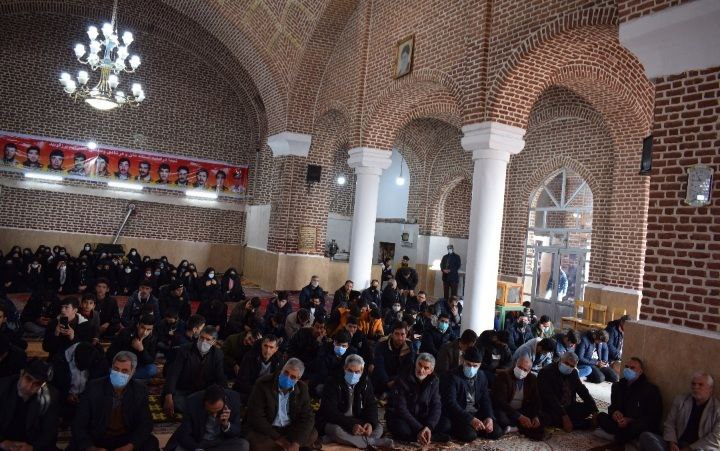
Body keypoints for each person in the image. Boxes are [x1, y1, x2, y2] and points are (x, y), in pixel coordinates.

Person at [70, 351, 159, 451]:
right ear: (111, 368)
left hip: (125, 438)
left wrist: (130, 446)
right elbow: (79, 423)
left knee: (151, 443)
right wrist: (91, 448)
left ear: (133, 372)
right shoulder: (94, 387)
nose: (119, 374)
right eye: (116, 369)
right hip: (98, 436)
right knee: (75, 445)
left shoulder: (140, 390)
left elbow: (146, 424)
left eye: (125, 371)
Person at [317, 354, 393, 449]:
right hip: (338, 422)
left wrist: (370, 423)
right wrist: (351, 425)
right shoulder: (333, 382)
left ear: (362, 370)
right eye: (350, 371)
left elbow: (371, 405)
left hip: (358, 420)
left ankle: (340, 439)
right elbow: (330, 412)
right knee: (336, 431)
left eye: (357, 372)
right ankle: (373, 442)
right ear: (344, 368)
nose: (353, 374)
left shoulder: (365, 382)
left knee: (378, 427)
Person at [244, 358, 317, 450]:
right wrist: (279, 439)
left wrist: (296, 443)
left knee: (312, 434)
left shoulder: (302, 388)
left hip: (288, 428)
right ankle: (284, 446)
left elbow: (308, 417)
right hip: (267, 428)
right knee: (258, 444)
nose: (287, 378)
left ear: (298, 379)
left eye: (293, 377)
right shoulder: (263, 384)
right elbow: (256, 417)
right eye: (286, 373)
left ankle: (286, 447)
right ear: (282, 370)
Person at [639, 372, 719, 451]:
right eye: (693, 384)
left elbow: (716, 437)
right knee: (646, 437)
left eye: (700, 384)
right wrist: (672, 443)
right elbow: (670, 423)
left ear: (710, 389)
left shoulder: (717, 409)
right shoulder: (680, 400)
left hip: (697, 447)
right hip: (677, 444)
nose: (695, 387)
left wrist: (688, 449)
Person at [438, 346, 504, 442]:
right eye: (468, 364)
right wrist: (470, 419)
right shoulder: (451, 376)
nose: (471, 368)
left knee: (497, 432)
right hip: (459, 414)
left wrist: (489, 417)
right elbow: (451, 403)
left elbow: (485, 399)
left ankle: (478, 428)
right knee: (470, 435)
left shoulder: (482, 376)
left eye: (475, 366)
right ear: (463, 361)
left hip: (475, 412)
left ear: (480, 365)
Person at [595, 357, 662, 445]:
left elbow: (652, 417)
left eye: (632, 368)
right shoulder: (617, 386)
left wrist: (629, 420)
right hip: (619, 423)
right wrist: (614, 413)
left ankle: (617, 436)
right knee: (601, 416)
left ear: (640, 372)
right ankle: (626, 438)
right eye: (626, 367)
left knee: (640, 428)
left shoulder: (650, 390)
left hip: (635, 424)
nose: (628, 369)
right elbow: (612, 407)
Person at [387, 353, 448, 445]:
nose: (421, 370)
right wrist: (420, 428)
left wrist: (429, 426)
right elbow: (401, 408)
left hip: (422, 417)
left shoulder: (434, 381)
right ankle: (427, 436)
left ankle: (422, 435)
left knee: (445, 424)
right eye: (419, 365)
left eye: (426, 368)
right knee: (401, 429)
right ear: (415, 363)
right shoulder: (402, 378)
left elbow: (436, 405)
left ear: (431, 371)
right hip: (404, 418)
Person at [164, 325, 226, 416]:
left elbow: (220, 378)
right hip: (184, 389)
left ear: (213, 342)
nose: (203, 341)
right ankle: (203, 409)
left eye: (207, 339)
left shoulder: (218, 354)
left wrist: (222, 397)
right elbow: (173, 374)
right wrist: (168, 397)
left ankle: (201, 408)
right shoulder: (184, 349)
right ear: (198, 336)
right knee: (176, 402)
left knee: (219, 401)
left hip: (204, 391)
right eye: (202, 337)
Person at [165, 384, 249, 451]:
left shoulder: (234, 398)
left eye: (218, 411)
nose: (214, 415)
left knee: (243, 445)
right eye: (210, 412)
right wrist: (197, 449)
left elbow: (237, 431)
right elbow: (184, 434)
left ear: (225, 402)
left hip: (221, 443)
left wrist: (226, 425)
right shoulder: (192, 401)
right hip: (199, 442)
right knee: (179, 449)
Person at [0, 359, 59, 450]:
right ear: (22, 374)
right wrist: (2, 442)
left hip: (31, 444)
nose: (29, 387)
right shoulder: (3, 387)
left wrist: (32, 448)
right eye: (28, 379)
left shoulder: (50, 397)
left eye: (37, 384)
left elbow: (49, 433)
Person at [537, 351, 598, 431]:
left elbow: (582, 390)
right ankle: (582, 424)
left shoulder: (573, 372)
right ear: (560, 360)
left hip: (568, 406)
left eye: (572, 366)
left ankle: (574, 422)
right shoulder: (546, 372)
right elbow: (550, 397)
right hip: (551, 407)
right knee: (545, 418)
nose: (568, 367)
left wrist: (594, 411)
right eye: (566, 363)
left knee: (589, 407)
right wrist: (564, 416)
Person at [51, 341, 109, 420]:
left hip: (87, 400)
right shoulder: (60, 361)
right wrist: (66, 396)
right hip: (64, 402)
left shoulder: (97, 358)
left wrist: (87, 395)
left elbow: (99, 380)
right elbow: (55, 386)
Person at [491, 355, 545, 440]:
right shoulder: (504, 376)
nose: (521, 371)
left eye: (525, 370)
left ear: (529, 371)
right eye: (520, 367)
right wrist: (519, 417)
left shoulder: (532, 378)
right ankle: (518, 426)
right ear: (515, 365)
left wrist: (536, 416)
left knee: (541, 419)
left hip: (522, 410)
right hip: (506, 410)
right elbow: (500, 401)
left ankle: (514, 427)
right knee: (501, 418)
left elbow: (536, 400)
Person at [107, 314, 159, 380]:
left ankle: (125, 377)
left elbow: (151, 360)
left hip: (137, 367)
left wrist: (141, 350)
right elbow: (111, 352)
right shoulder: (126, 332)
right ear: (138, 325)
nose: (144, 332)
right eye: (142, 328)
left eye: (148, 329)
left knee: (152, 369)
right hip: (122, 365)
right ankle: (129, 377)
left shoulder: (153, 338)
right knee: (109, 369)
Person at [234, 334, 284, 403]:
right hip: (250, 390)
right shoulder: (250, 357)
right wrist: (258, 393)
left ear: (276, 349)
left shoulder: (279, 360)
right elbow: (242, 380)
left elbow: (277, 381)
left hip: (266, 391)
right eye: (265, 346)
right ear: (261, 345)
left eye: (271, 347)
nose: (267, 350)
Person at [371, 320, 415, 397]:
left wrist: (396, 381)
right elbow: (379, 366)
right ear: (391, 334)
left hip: (399, 378)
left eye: (402, 334)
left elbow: (408, 367)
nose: (400, 338)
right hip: (384, 377)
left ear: (406, 334)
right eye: (397, 334)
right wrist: (387, 382)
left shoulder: (409, 345)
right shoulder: (381, 343)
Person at [309, 329, 356, 396]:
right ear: (334, 342)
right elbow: (322, 373)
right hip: (325, 381)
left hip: (343, 382)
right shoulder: (324, 350)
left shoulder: (352, 353)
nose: (340, 348)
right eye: (338, 344)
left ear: (348, 346)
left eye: (344, 346)